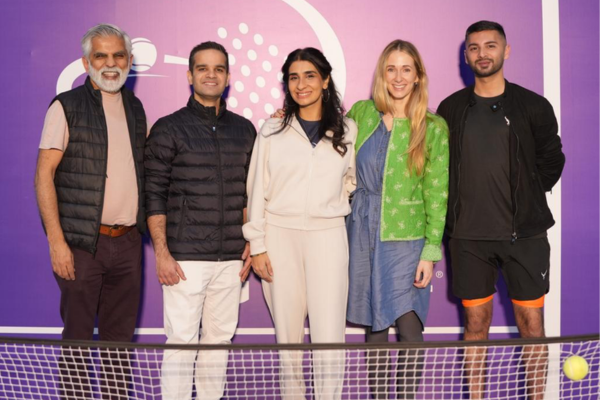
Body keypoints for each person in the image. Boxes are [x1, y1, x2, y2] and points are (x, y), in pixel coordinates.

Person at [437, 21, 565, 400]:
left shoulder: (534, 106)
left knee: (532, 326)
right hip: (468, 238)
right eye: (474, 47)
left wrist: (526, 195)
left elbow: (551, 161)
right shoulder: (450, 109)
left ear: (506, 51)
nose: (483, 54)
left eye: (490, 46)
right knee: (475, 324)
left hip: (524, 237)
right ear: (466, 56)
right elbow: (439, 169)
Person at [34, 23, 147, 398]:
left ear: (129, 60)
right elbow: (43, 175)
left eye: (118, 55)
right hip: (82, 244)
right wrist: (57, 243)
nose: (110, 63)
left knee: (119, 345)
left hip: (128, 244)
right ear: (86, 62)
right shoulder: (65, 106)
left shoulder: (135, 108)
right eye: (101, 56)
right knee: (78, 341)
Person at [243, 47, 357, 400]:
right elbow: (256, 189)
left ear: (325, 80)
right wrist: (258, 244)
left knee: (329, 338)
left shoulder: (348, 129)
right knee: (288, 340)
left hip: (328, 237)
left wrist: (329, 203)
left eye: (310, 75)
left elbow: (350, 180)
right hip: (279, 238)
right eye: (293, 77)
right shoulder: (271, 128)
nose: (301, 84)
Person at [144, 41, 255, 400]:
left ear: (228, 77)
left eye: (219, 68)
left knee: (218, 342)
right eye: (203, 68)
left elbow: (249, 194)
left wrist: (251, 242)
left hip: (231, 259)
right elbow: (154, 194)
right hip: (184, 259)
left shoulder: (245, 130)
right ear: (190, 75)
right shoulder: (168, 128)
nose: (211, 75)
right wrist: (162, 252)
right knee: (181, 342)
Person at [345, 40, 449, 399]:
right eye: (391, 69)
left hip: (407, 238)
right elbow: (326, 138)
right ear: (382, 74)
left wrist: (430, 251)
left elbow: (437, 193)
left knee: (409, 327)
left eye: (407, 69)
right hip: (362, 232)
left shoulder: (433, 127)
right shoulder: (362, 113)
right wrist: (286, 114)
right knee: (374, 329)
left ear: (418, 76)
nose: (399, 77)